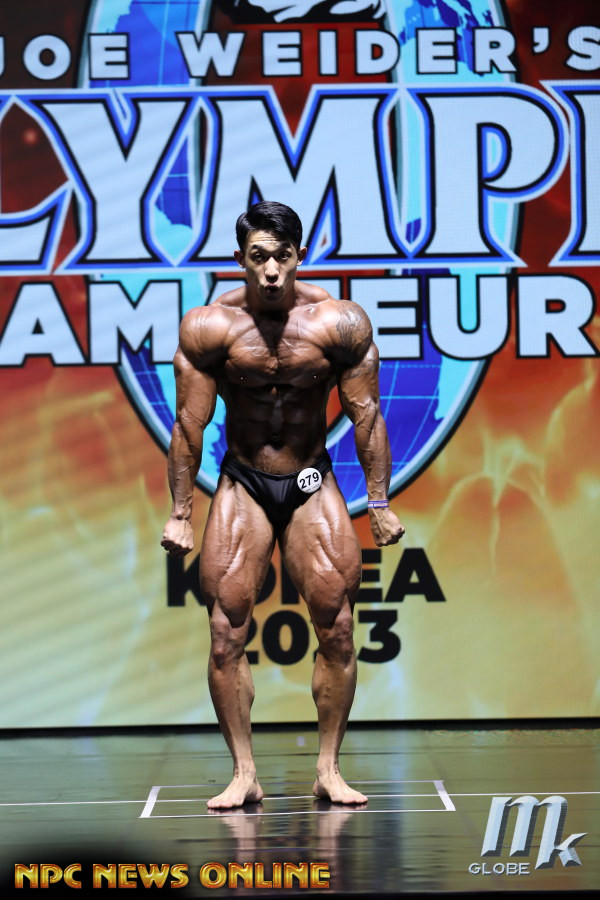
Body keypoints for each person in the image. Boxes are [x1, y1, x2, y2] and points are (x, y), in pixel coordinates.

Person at [161, 201, 405, 809]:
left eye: (282, 256)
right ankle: (244, 773)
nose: (271, 270)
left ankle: (328, 769)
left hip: (309, 481)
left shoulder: (339, 324)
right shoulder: (210, 328)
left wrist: (378, 501)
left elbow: (367, 416)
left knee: (338, 627)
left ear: (300, 255)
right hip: (243, 481)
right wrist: (181, 512)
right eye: (258, 257)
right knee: (225, 633)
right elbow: (189, 424)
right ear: (240, 259)